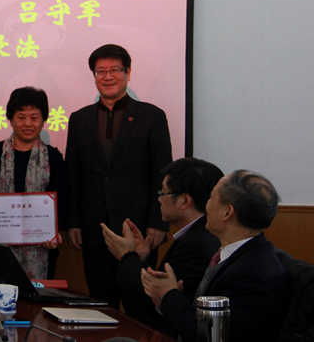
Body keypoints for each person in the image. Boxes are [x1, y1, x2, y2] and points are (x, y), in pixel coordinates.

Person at [66, 43, 172, 308]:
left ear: (128, 73)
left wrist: (158, 222)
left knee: (141, 304)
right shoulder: (79, 119)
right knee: (102, 303)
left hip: (139, 230)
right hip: (95, 227)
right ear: (94, 76)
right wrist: (73, 222)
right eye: (101, 71)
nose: (108, 76)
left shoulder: (152, 116)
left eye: (115, 69)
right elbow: (73, 175)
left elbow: (162, 173)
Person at [142, 170, 287, 341]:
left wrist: (169, 296)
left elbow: (210, 335)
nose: (206, 206)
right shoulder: (242, 255)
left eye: (211, 198)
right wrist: (173, 297)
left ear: (227, 212)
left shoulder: (251, 274)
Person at [100, 157, 222, 336]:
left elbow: (154, 301)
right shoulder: (199, 234)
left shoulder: (195, 245)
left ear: (185, 201)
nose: (159, 200)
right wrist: (138, 258)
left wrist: (127, 257)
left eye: (163, 193)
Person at [0, 87, 69, 280]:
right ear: (11, 119)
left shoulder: (53, 157)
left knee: (36, 298)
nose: (28, 124)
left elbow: (62, 199)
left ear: (43, 121)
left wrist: (53, 231)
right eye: (21, 117)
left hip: (41, 250)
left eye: (34, 118)